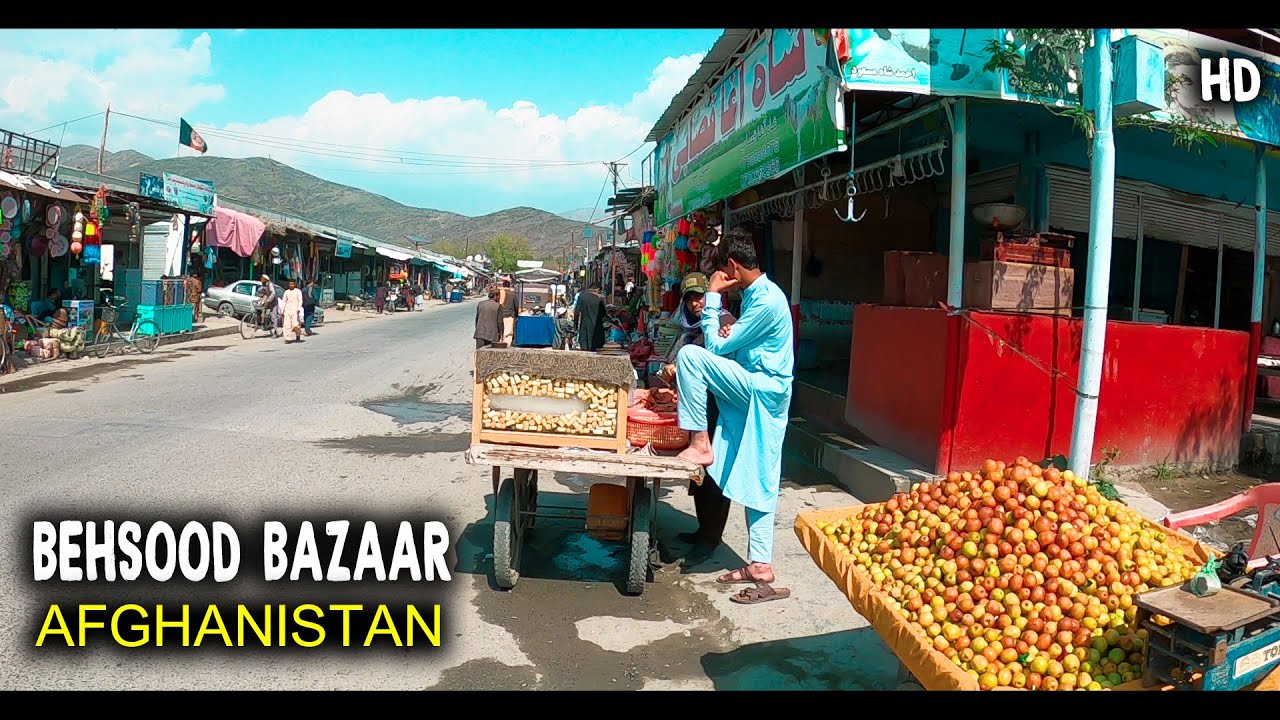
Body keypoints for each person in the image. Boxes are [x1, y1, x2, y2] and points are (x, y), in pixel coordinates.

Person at [674, 229, 794, 604]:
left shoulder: (767, 301)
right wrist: (728, 326)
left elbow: (715, 345)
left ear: (732, 267)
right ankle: (760, 565)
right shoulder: (757, 297)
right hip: (756, 390)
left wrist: (712, 296)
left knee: (692, 358)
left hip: (763, 391)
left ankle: (699, 441)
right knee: (757, 475)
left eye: (722, 272)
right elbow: (734, 343)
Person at [655, 272, 736, 558]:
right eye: (690, 298)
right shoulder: (687, 331)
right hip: (699, 411)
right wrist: (670, 371)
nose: (695, 303)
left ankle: (711, 538)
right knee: (698, 474)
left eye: (700, 296)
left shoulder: (722, 320)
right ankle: (703, 530)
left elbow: (728, 345)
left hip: (719, 410)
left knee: (714, 474)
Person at [574, 283, 606, 352]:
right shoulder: (599, 299)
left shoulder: (581, 296)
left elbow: (576, 312)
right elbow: (603, 314)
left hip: (584, 327)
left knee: (584, 348)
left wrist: (575, 325)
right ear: (597, 289)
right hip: (596, 329)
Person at [281, 279, 305, 343]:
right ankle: (288, 338)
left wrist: (298, 309)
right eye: (290, 284)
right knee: (287, 324)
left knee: (295, 324)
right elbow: (284, 301)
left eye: (292, 284)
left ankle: (298, 334)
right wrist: (282, 310)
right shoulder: (286, 292)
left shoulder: (298, 291)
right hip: (287, 309)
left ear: (295, 284)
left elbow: (300, 300)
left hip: (295, 310)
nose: (291, 285)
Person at [498, 279, 517, 345]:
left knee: (500, 333)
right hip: (509, 315)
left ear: (503, 285)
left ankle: (500, 345)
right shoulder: (513, 294)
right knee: (508, 334)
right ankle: (506, 347)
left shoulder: (499, 293)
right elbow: (516, 306)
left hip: (500, 315)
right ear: (509, 286)